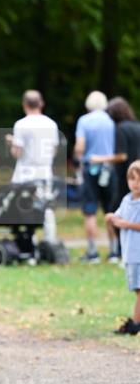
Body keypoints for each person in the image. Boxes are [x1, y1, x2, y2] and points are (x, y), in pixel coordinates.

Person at [74, 91, 118, 263]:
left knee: (90, 211)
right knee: (111, 210)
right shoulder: (111, 121)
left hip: (90, 168)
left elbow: (80, 146)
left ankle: (92, 252)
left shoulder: (84, 121)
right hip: (109, 168)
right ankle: (114, 250)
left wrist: (79, 158)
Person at [105, 160, 140, 335]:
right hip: (130, 254)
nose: (135, 184)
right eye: (132, 179)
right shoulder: (127, 200)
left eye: (139, 180)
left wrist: (125, 224)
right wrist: (111, 218)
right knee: (136, 289)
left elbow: (127, 223)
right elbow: (118, 216)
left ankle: (136, 324)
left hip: (138, 254)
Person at [5, 90, 59, 185]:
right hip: (45, 173)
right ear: (41, 103)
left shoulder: (21, 124)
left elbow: (17, 153)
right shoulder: (52, 124)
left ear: (24, 104)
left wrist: (13, 143)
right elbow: (53, 151)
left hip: (25, 174)